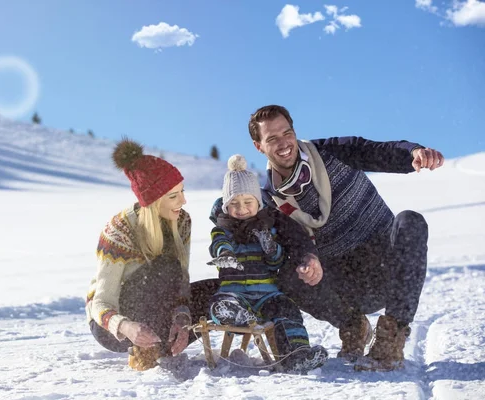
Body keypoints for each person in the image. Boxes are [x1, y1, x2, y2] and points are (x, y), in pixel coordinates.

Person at [237, 104, 444, 372]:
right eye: (272, 139)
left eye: (286, 133)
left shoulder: (330, 152)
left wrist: (414, 153)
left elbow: (374, 151)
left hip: (385, 266)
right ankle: (352, 326)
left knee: (410, 221)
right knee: (287, 271)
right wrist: (306, 259)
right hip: (342, 283)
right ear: (258, 146)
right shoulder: (269, 199)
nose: (283, 143)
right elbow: (288, 243)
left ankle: (391, 337)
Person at [86, 138, 214, 371]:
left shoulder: (182, 221)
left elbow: (181, 280)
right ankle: (147, 352)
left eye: (182, 192)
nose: (183, 201)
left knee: (218, 290)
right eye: (173, 196)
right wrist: (126, 327)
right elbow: (100, 303)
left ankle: (165, 341)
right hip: (114, 327)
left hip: (159, 312)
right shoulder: (119, 230)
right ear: (154, 201)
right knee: (164, 266)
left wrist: (183, 319)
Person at [207, 154, 328, 373]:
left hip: (266, 294)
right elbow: (218, 244)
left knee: (287, 309)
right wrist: (225, 253)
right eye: (234, 203)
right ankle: (235, 314)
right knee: (222, 303)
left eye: (247, 202)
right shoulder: (222, 229)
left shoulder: (268, 229)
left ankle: (296, 354)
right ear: (226, 206)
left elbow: (276, 264)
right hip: (234, 292)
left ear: (258, 202)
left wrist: (271, 248)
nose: (241, 208)